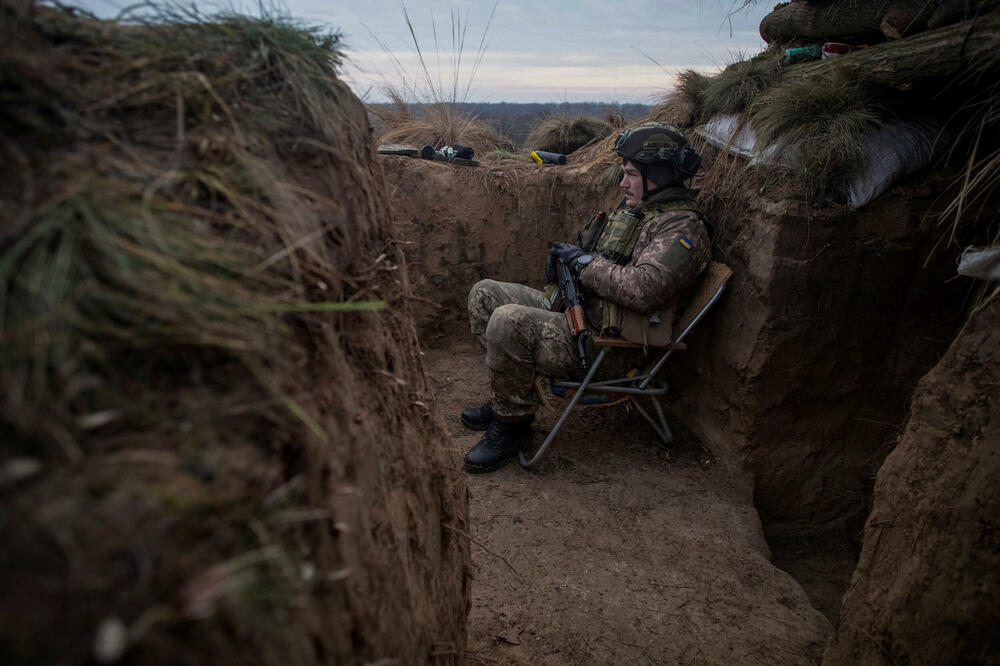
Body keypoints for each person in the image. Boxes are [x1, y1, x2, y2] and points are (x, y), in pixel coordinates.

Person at [462, 122, 712, 473]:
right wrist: (566, 261)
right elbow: (601, 261)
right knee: (484, 294)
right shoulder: (638, 211)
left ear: (658, 174)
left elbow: (645, 289)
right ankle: (510, 396)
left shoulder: (682, 228)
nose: (623, 183)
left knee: (508, 321)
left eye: (631, 174)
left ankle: (513, 427)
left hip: (609, 347)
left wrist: (584, 264)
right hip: (577, 314)